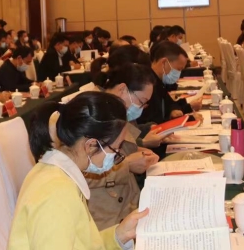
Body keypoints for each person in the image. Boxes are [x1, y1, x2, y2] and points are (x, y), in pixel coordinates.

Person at [8, 91, 147, 249]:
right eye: (115, 149)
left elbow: (82, 243)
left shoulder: (57, 174)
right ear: (91, 146)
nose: (116, 156)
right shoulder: (57, 193)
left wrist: (119, 235)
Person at [88, 64, 160, 230]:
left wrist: (139, 152)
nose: (140, 109)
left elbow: (123, 149)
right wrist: (126, 165)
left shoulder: (117, 111)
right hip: (107, 217)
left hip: (128, 203)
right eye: (141, 102)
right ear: (122, 89)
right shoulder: (91, 115)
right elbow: (81, 175)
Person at [137, 42, 193, 125]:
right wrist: (190, 119)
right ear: (164, 62)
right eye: (178, 69)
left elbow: (170, 104)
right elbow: (155, 122)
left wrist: (174, 111)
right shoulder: (146, 84)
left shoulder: (159, 82)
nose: (179, 73)